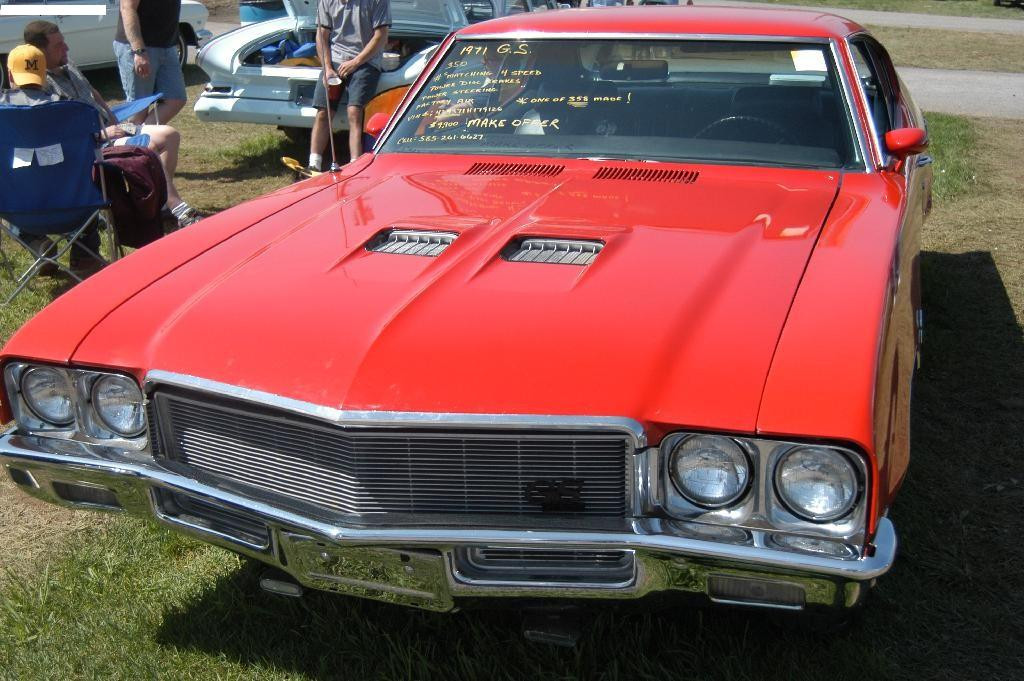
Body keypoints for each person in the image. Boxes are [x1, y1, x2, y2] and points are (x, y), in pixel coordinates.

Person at [23, 20, 202, 228]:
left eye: (64, 42)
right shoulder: (40, 84)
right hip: (93, 142)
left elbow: (93, 92)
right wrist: (102, 132)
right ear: (39, 52)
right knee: (149, 149)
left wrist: (113, 118)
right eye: (58, 45)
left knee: (170, 136)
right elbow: (61, 130)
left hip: (110, 129)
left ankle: (161, 204)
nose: (66, 48)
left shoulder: (67, 63)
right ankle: (175, 207)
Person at [2, 45, 103, 277]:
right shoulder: (74, 111)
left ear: (9, 75)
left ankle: (36, 242)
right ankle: (85, 255)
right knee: (88, 179)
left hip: (17, 209)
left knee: (14, 185)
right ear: (43, 74)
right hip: (75, 206)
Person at [308, 0, 391, 172]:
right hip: (335, 64)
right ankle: (313, 163)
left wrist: (355, 62)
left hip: (366, 62)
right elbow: (322, 35)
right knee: (324, 111)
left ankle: (355, 164)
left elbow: (381, 36)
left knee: (354, 111)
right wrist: (328, 68)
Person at [113, 0, 187, 125]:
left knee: (175, 99)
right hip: (140, 48)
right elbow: (127, 9)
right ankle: (135, 141)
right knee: (138, 108)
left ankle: (143, 138)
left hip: (167, 46)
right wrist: (139, 51)